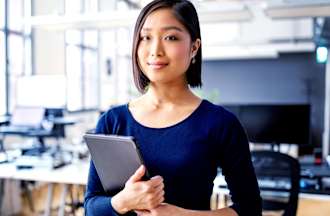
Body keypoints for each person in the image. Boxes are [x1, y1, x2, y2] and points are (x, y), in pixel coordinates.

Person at [84, 0, 262, 215]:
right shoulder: (113, 121)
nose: (155, 50)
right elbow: (91, 208)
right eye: (146, 37)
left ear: (194, 47)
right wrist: (122, 202)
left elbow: (250, 209)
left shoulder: (221, 124)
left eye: (170, 37)